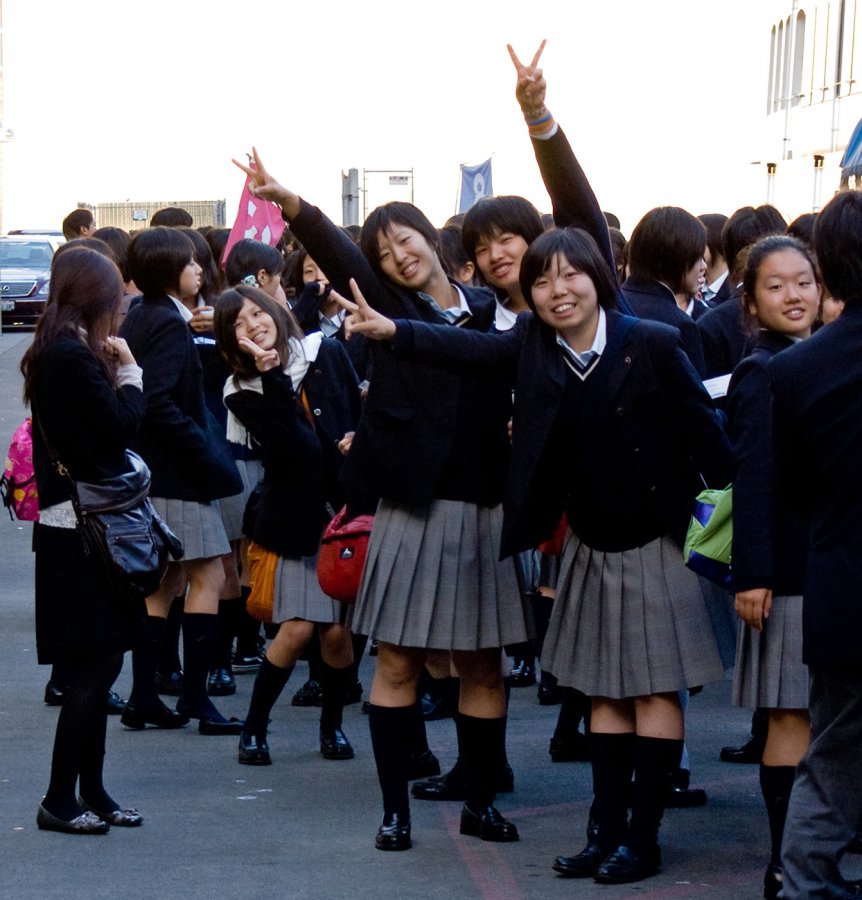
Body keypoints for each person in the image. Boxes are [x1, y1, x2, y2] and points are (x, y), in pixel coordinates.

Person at [341, 205, 732, 886]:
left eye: (571, 275)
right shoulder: (535, 348)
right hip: (587, 541)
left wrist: (720, 544)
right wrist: (395, 331)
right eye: (542, 281)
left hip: (659, 541)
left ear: (599, 279)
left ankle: (642, 838)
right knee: (606, 695)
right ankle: (604, 835)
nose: (558, 291)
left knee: (654, 694)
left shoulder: (655, 343)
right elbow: (466, 349)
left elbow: (716, 454)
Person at [233, 148, 530, 853]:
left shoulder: (496, 312)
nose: (399, 255)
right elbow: (339, 255)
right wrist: (294, 206)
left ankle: (481, 800)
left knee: (484, 666)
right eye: (384, 248)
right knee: (395, 661)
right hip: (411, 508)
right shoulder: (382, 305)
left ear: (433, 241)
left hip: (487, 507)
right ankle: (394, 810)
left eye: (407, 240)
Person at [23, 246, 145, 833]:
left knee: (99, 664)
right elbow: (119, 431)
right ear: (96, 297)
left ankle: (91, 791)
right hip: (81, 535)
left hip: (74, 530)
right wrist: (130, 376)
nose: (121, 306)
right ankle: (58, 799)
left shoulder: (59, 351)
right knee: (94, 670)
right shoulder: (71, 357)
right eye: (116, 296)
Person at [213, 284, 361, 764]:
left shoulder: (323, 352)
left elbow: (359, 409)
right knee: (297, 630)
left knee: (337, 635)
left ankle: (332, 726)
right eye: (239, 322)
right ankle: (254, 729)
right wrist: (272, 373)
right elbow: (292, 447)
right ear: (230, 339)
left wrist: (357, 439)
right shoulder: (240, 390)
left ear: (276, 311)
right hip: (294, 520)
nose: (254, 324)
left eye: (258, 313)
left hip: (345, 513)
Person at [771, 190, 862, 899]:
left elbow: (793, 487)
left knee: (832, 760)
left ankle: (806, 887)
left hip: (844, 591)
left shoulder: (798, 370)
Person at [120, 226, 244, 735]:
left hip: (154, 473)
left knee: (164, 584)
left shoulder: (145, 314)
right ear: (170, 269)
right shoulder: (169, 323)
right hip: (178, 474)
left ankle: (144, 696)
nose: (200, 269)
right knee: (210, 575)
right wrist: (204, 446)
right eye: (192, 263)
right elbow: (161, 401)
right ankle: (194, 698)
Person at [727, 235, 821, 900]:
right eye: (776, 285)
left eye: (804, 281)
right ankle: (782, 859)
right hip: (785, 573)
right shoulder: (760, 370)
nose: (793, 295)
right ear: (752, 302)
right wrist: (753, 573)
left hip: (830, 564)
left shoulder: (821, 357)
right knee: (791, 718)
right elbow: (752, 477)